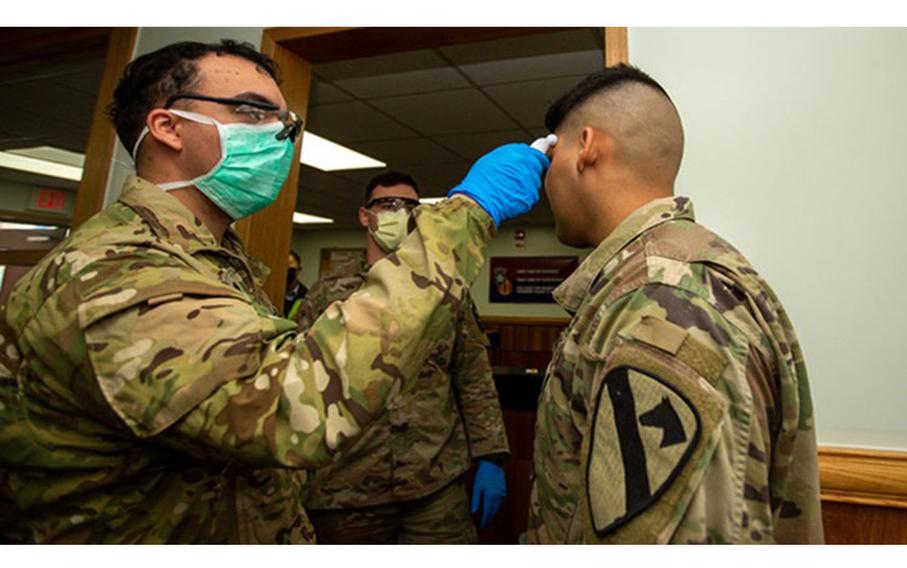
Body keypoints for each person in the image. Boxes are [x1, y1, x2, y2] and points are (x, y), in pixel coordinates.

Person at [0, 39, 549, 543]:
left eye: (286, 120)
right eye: (253, 111)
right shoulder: (114, 270)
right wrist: (468, 214)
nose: (280, 134)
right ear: (169, 127)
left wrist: (489, 454)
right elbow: (294, 405)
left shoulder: (214, 264)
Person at [527, 65, 823, 544]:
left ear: (585, 146)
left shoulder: (663, 302)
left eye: (550, 154)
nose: (545, 179)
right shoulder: (664, 277)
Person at [297, 171, 509, 544]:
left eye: (411, 206)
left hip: (433, 479)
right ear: (365, 215)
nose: (401, 213)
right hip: (347, 488)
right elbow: (301, 380)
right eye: (388, 205)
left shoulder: (445, 292)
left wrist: (491, 455)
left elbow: (472, 374)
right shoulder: (327, 294)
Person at [284, 250, 308, 318]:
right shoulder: (272, 292)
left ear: (299, 269)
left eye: (290, 263)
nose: (287, 268)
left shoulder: (306, 295)